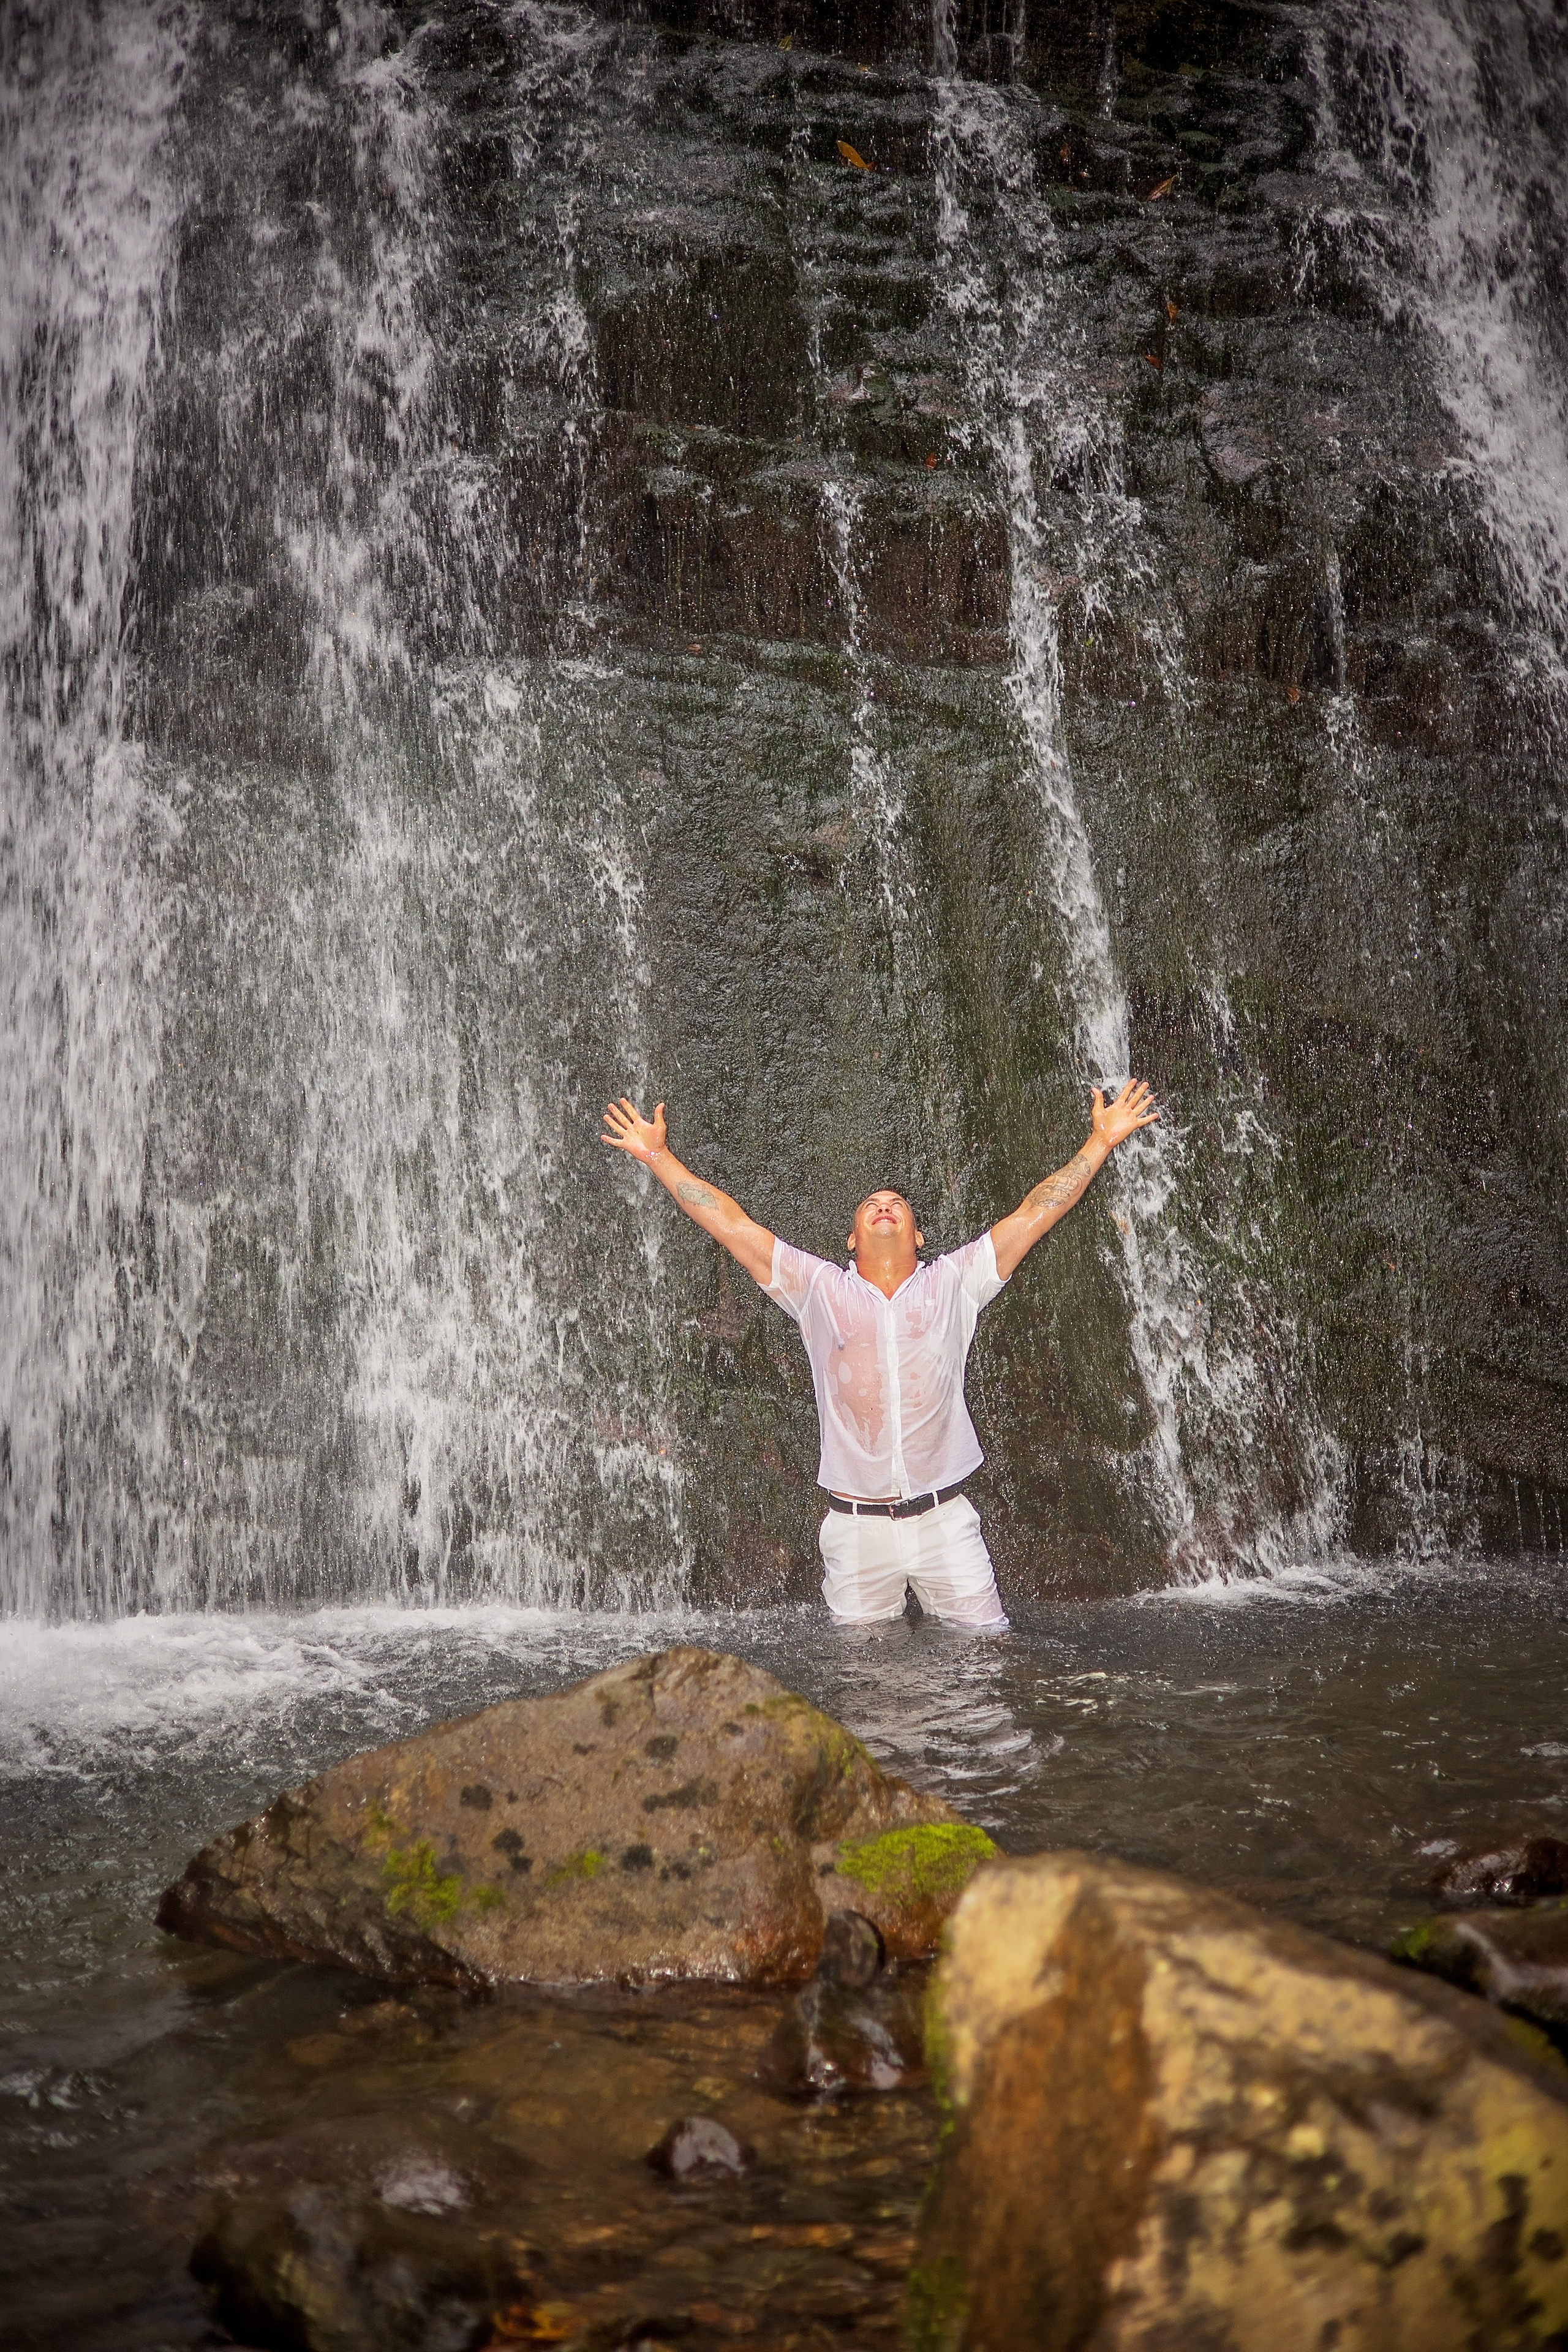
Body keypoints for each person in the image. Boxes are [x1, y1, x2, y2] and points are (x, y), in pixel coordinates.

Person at [600, 1082, 1158, 1629]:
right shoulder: (816, 1289)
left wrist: (1100, 1143)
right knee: (865, 1691)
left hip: (943, 1520)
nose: (885, 1206)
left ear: (919, 1237)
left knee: (986, 1673)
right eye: (872, 1204)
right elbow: (732, 1224)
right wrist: (658, 1156)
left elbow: (1035, 1213)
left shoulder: (956, 1282)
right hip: (856, 1529)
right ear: (851, 1237)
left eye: (897, 1204)